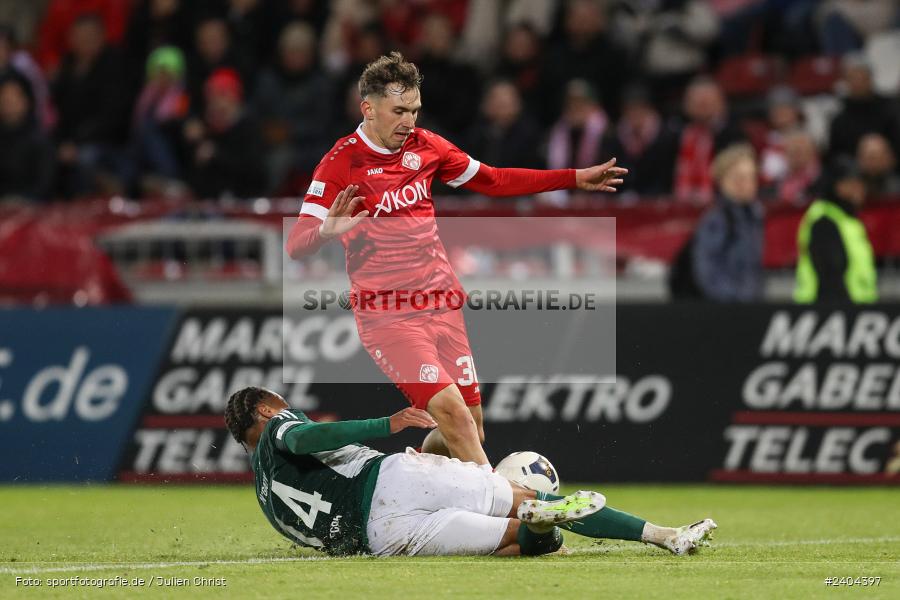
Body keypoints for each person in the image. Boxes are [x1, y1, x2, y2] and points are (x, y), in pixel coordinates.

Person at [285, 52, 627, 466]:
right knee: (454, 418)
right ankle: (509, 510)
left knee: (469, 429)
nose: (409, 121)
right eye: (399, 111)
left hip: (442, 304)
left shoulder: (427, 147)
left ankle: (417, 476)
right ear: (368, 108)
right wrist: (325, 232)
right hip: (388, 315)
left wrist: (571, 178)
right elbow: (296, 243)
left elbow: (494, 179)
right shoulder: (341, 163)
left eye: (414, 110)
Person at [224, 386, 717, 557]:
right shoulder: (277, 429)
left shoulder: (266, 498)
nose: (295, 414)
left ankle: (539, 528)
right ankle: (665, 535)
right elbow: (303, 437)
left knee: (515, 543)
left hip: (385, 538)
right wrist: (382, 423)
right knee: (527, 499)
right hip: (392, 481)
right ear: (266, 414)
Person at [794, 160, 878, 304]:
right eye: (854, 183)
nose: (860, 189)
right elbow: (830, 276)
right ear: (838, 186)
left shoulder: (847, 220)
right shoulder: (824, 219)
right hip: (829, 310)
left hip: (856, 310)